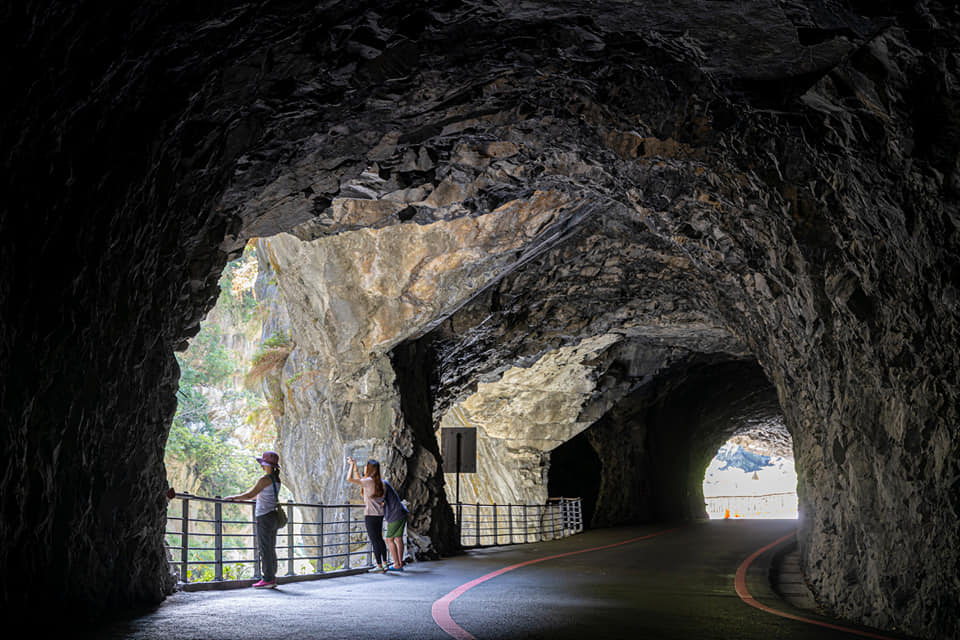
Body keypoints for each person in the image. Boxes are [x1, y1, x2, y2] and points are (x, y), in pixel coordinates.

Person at [224, 450, 283, 589]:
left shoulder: (265, 480)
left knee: (264, 548)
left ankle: (268, 579)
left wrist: (233, 497)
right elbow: (262, 495)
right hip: (273, 516)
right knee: (270, 547)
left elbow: (250, 494)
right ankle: (271, 577)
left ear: (266, 465)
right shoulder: (277, 479)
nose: (262, 466)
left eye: (263, 464)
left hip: (264, 516)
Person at [347, 456, 388, 573]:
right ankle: (385, 563)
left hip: (370, 514)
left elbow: (349, 479)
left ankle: (379, 565)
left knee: (374, 540)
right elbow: (362, 482)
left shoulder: (368, 481)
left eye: (366, 466)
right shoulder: (380, 482)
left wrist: (351, 466)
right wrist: (355, 466)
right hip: (379, 514)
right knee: (380, 539)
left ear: (369, 469)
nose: (364, 467)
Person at [382, 478, 409, 572]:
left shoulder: (381, 484)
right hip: (401, 512)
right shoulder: (384, 483)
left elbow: (380, 501)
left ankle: (397, 564)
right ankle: (400, 563)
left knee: (389, 539)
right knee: (398, 538)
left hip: (395, 514)